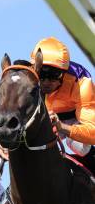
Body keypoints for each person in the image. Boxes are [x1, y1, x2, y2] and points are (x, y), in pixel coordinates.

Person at [32, 37, 95, 173]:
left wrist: (62, 127)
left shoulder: (82, 82)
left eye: (54, 74)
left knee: (78, 145)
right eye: (42, 73)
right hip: (49, 120)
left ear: (64, 73)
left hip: (76, 119)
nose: (47, 82)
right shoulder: (29, 79)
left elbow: (93, 133)